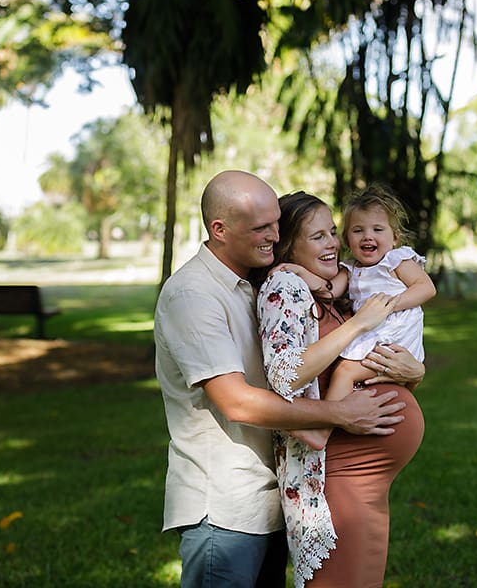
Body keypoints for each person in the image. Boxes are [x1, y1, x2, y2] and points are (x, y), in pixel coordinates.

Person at [154, 170, 423, 588]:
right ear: (219, 229)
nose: (274, 235)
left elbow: (336, 360)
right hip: (227, 503)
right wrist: (339, 414)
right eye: (262, 228)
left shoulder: (258, 281)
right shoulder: (194, 296)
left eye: (277, 225)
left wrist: (412, 371)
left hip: (274, 494)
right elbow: (237, 401)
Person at [257, 191, 426, 587]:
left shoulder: (325, 285)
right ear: (289, 245)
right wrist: (359, 323)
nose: (332, 243)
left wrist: (414, 371)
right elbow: (286, 375)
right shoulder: (285, 287)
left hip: (364, 476)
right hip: (339, 473)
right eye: (318, 236)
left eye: (332, 232)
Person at [274, 186, 436, 451]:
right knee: (346, 371)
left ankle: (320, 432)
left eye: (378, 229)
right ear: (348, 239)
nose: (368, 236)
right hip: (375, 335)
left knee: (345, 371)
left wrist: (387, 306)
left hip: (396, 338)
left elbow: (426, 288)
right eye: (358, 230)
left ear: (395, 237)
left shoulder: (397, 261)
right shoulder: (350, 270)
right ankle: (327, 425)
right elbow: (328, 291)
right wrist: (298, 272)